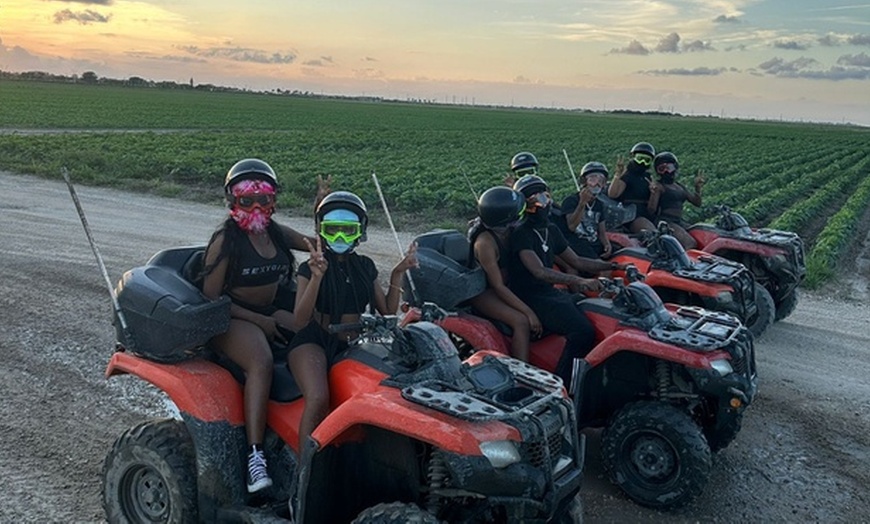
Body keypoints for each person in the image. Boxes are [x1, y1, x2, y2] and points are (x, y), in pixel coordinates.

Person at [200, 158, 315, 493]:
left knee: (312, 333)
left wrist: (324, 209)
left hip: (268, 311)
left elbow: (316, 244)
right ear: (232, 200)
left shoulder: (275, 233)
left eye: (262, 198)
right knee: (261, 361)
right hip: (230, 316)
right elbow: (210, 299)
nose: (255, 207)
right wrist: (258, 320)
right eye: (246, 199)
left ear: (273, 199)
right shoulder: (225, 240)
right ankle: (255, 456)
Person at [288, 191, 417, 452]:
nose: (339, 237)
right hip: (314, 341)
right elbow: (300, 321)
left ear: (360, 232)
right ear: (321, 231)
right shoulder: (309, 267)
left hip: (354, 344)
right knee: (318, 398)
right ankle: (304, 467)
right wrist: (316, 277)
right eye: (332, 230)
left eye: (347, 231)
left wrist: (397, 272)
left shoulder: (366, 266)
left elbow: (387, 311)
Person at [509, 173, 621, 384]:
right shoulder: (521, 233)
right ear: (523, 207)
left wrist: (614, 266)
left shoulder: (550, 229)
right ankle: (565, 385)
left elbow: (577, 261)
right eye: (533, 201)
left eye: (544, 197)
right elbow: (539, 271)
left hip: (548, 292)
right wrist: (580, 281)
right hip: (529, 295)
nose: (542, 204)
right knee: (583, 331)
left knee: (590, 307)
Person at [467, 186, 541, 362]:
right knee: (521, 322)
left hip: (507, 286)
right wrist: (529, 312)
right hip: (485, 292)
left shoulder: (507, 230)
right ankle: (521, 369)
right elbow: (497, 285)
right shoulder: (485, 243)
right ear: (507, 219)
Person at [648, 151, 705, 249]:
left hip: (679, 221)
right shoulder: (659, 186)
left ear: (675, 168)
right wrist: (653, 193)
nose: (666, 171)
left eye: (669, 168)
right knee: (690, 243)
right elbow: (651, 210)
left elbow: (697, 203)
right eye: (662, 169)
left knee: (702, 237)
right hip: (666, 222)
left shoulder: (679, 186)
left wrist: (697, 188)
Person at [559, 161, 613, 261]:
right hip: (576, 243)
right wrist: (582, 203)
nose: (597, 184)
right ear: (584, 182)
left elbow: (601, 232)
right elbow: (572, 226)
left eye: (601, 181)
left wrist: (607, 244)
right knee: (601, 266)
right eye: (593, 180)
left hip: (594, 243)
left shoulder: (599, 204)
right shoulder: (571, 201)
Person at [607, 142, 658, 233]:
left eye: (647, 160)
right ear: (633, 157)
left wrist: (653, 193)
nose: (643, 163)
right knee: (652, 233)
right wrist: (617, 175)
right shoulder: (627, 175)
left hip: (646, 214)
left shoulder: (648, 178)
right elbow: (613, 194)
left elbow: (652, 207)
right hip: (631, 215)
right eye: (640, 159)